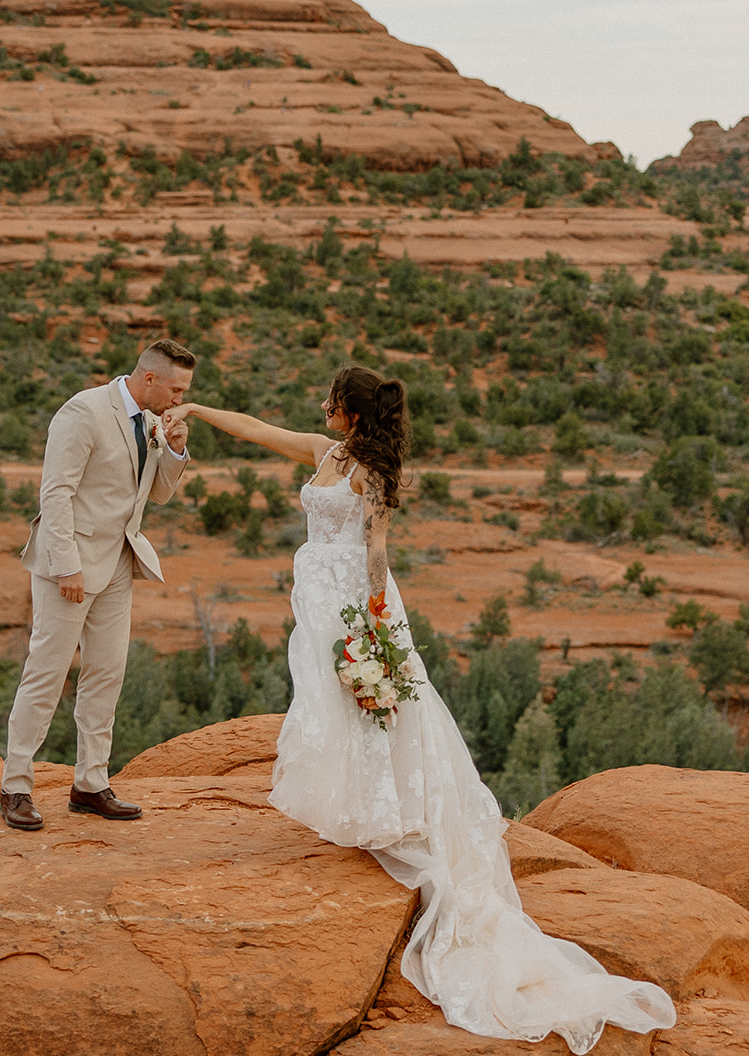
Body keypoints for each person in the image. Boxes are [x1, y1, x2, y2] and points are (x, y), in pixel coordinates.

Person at [173, 365, 675, 1053]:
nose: (321, 406)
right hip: (318, 591)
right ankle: (358, 800)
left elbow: (375, 549)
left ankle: (383, 810)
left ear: (348, 412)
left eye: (330, 400)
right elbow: (259, 432)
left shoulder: (369, 474)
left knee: (363, 694)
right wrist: (197, 409)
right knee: (327, 698)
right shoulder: (328, 453)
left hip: (352, 596)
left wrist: (376, 624)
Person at [0, 339, 194, 831]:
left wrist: (173, 450)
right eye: (176, 388)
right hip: (70, 566)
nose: (179, 398)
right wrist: (66, 566)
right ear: (149, 378)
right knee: (46, 673)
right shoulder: (82, 411)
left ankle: (90, 783)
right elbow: (56, 492)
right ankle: (15, 786)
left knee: (107, 674)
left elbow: (159, 493)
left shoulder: (152, 422)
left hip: (117, 564)